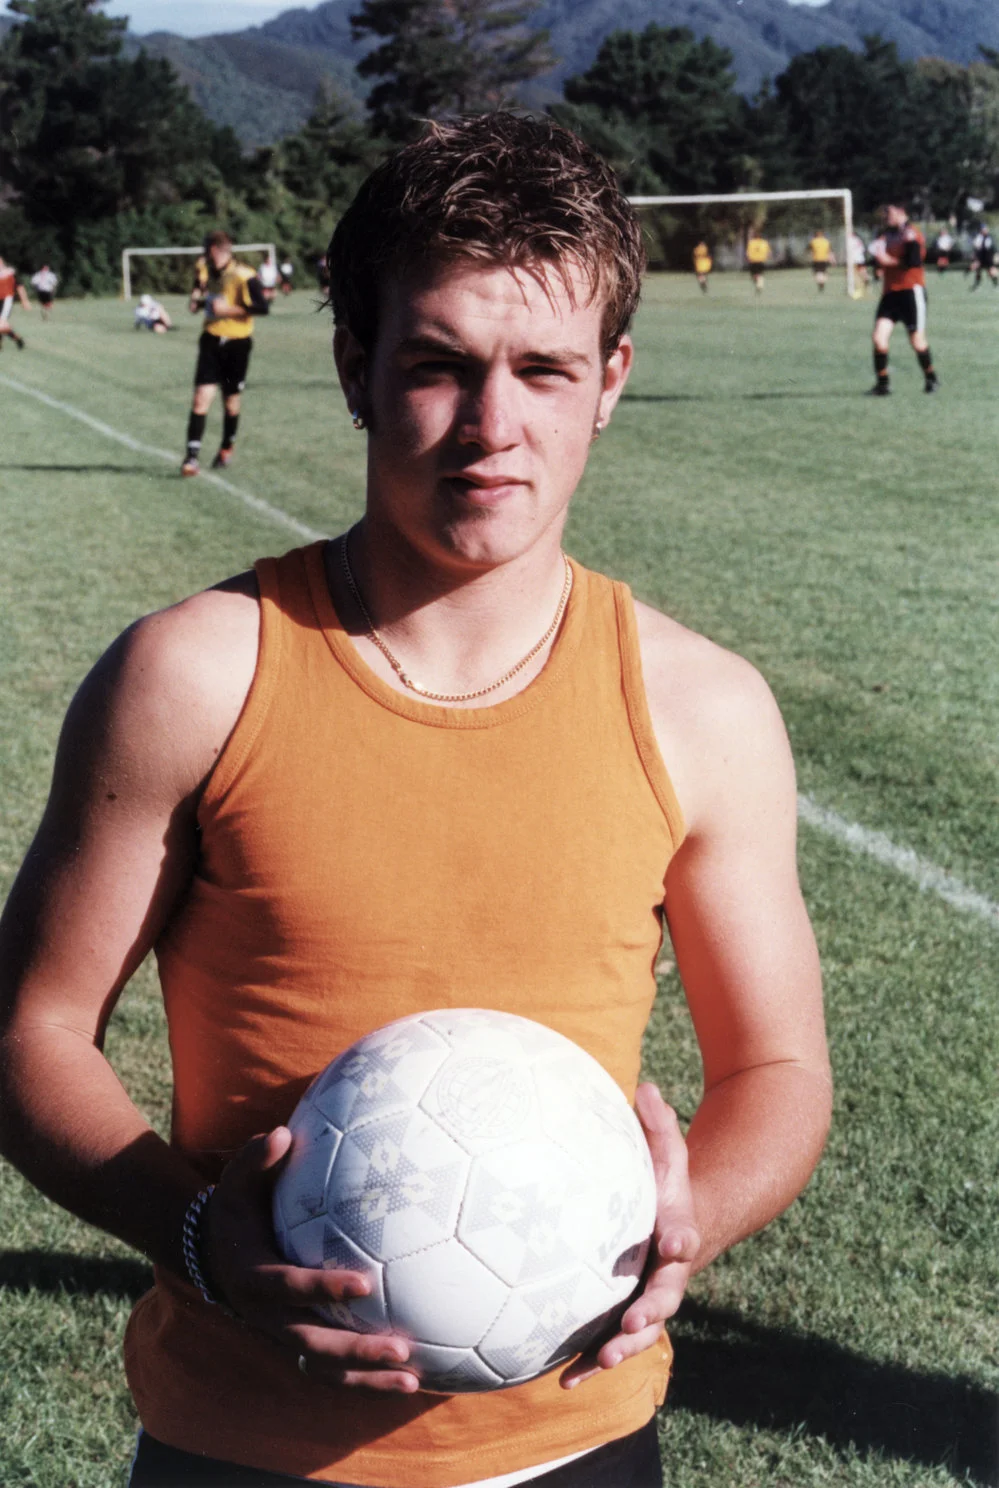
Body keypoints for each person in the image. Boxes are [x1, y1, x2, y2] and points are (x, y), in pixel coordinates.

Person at [0, 114, 831, 1488]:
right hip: (243, 1446)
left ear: (610, 378)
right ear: (353, 366)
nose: (491, 427)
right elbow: (31, 1031)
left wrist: (688, 1219)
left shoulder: (700, 708)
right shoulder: (194, 675)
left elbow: (777, 1073)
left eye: (542, 371)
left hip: (577, 1440)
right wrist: (203, 1238)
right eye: (439, 365)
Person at [181, 230, 271, 477]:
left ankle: (226, 448)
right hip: (210, 341)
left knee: (230, 402)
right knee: (201, 397)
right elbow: (208, 301)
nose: (202, 254)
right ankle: (191, 459)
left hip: (237, 345)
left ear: (215, 249)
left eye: (205, 249)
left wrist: (227, 310)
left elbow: (263, 308)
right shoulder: (208, 272)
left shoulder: (244, 275)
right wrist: (198, 302)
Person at [867, 202, 938, 395]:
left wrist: (887, 261)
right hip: (890, 293)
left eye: (889, 212)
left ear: (901, 212)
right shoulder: (885, 235)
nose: (886, 216)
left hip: (910, 293)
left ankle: (931, 379)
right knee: (878, 338)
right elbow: (879, 260)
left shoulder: (911, 234)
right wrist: (877, 266)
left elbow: (914, 261)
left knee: (916, 341)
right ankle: (883, 384)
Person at [0, 253, 31, 349]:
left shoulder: (10, 273)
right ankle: (17, 339)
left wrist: (24, 301)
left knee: (1, 325)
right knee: (2, 326)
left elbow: (20, 287)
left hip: (6, 300)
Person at [969, 223, 998, 290]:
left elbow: (993, 247)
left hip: (988, 257)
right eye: (983, 229)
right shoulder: (978, 237)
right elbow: (976, 247)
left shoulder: (990, 237)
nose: (985, 230)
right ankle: (977, 285)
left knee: (991, 271)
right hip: (980, 257)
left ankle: (996, 284)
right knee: (978, 270)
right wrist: (975, 255)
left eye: (985, 229)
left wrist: (996, 254)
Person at [848, 230, 869, 298]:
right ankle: (866, 281)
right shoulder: (858, 239)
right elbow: (863, 249)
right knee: (862, 271)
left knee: (854, 274)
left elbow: (850, 250)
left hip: (854, 259)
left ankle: (858, 288)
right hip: (860, 258)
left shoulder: (851, 240)